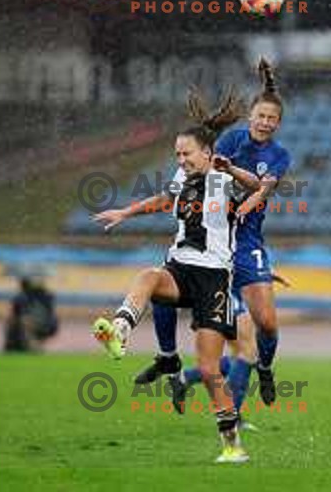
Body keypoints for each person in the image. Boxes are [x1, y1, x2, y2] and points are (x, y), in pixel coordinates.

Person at [92, 90, 259, 464]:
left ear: (206, 152)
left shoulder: (223, 177)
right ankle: (119, 332)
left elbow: (257, 186)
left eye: (186, 154)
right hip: (181, 268)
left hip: (214, 278)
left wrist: (230, 168)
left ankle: (231, 444)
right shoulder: (181, 178)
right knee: (148, 276)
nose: (180, 159)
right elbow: (162, 200)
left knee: (210, 369)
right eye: (177, 154)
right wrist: (126, 212)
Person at [136, 58, 292, 419]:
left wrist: (238, 194)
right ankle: (174, 365)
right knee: (237, 341)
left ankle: (260, 372)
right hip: (216, 245)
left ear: (278, 124)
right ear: (250, 117)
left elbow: (259, 193)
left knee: (265, 326)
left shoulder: (279, 156)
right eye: (260, 117)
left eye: (272, 119)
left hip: (248, 242)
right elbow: (199, 167)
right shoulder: (230, 140)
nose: (265, 123)